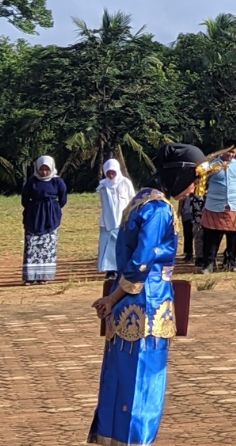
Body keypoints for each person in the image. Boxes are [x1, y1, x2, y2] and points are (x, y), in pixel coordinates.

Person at [88, 184, 180, 445]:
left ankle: (113, 437)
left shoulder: (138, 203)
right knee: (144, 379)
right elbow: (142, 261)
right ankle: (136, 440)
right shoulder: (159, 209)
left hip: (126, 302)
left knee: (120, 376)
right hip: (148, 301)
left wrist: (114, 297)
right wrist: (113, 298)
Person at [198, 143, 236, 271]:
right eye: (228, 151)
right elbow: (201, 180)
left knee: (233, 237)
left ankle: (230, 264)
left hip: (234, 206)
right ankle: (208, 265)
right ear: (222, 150)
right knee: (211, 237)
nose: (230, 155)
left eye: (233, 152)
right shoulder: (211, 165)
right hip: (214, 205)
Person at [21, 154, 68, 282]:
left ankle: (44, 277)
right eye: (41, 169)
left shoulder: (57, 182)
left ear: (51, 168)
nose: (44, 172)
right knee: (32, 246)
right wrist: (34, 209)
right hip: (34, 217)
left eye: (47, 169)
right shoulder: (32, 182)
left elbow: (63, 199)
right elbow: (25, 200)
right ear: (37, 168)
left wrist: (53, 209)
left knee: (48, 246)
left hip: (51, 217)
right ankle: (30, 277)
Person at [94, 157, 137, 278]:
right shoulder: (103, 185)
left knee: (121, 245)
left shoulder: (125, 182)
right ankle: (110, 271)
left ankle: (121, 269)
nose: (111, 175)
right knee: (108, 246)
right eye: (108, 173)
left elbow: (132, 199)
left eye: (113, 172)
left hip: (122, 220)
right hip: (107, 221)